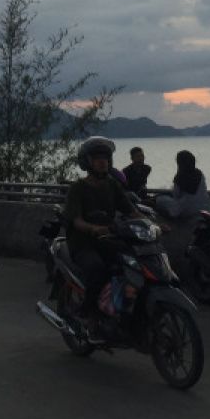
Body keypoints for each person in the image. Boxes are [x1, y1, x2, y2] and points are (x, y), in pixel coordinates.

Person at [62, 136, 144, 328]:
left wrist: (151, 223)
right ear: (87, 162)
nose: (102, 162)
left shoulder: (112, 185)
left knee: (130, 264)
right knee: (97, 268)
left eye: (105, 158)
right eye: (97, 158)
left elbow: (130, 210)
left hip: (108, 239)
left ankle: (121, 307)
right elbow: (76, 221)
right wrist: (93, 228)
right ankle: (89, 313)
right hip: (82, 243)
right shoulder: (78, 188)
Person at [154, 150, 210, 220]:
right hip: (206, 208)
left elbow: (176, 195)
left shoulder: (179, 176)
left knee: (160, 199)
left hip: (188, 210)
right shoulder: (199, 173)